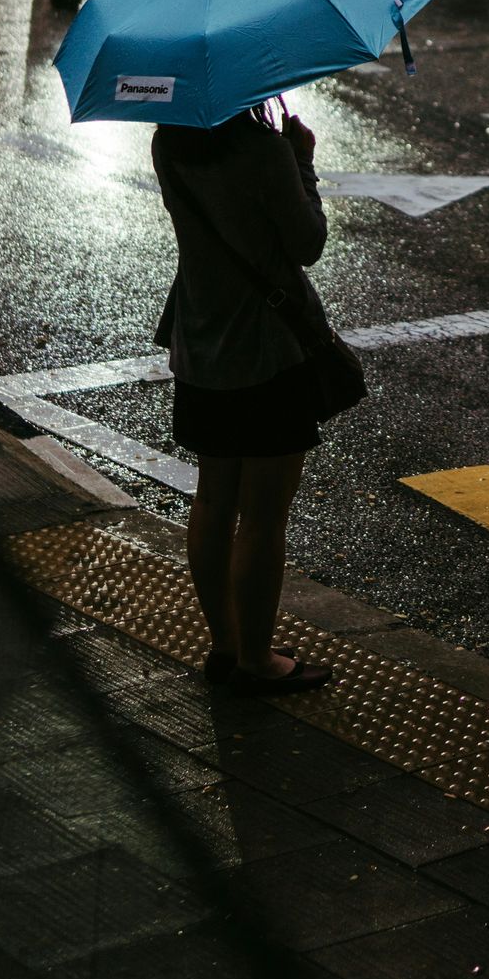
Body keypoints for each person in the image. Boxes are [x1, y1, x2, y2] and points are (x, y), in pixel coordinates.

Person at [152, 104, 333, 694]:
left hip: (199, 345)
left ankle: (225, 644)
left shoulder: (169, 144)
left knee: (212, 500)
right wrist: (302, 162)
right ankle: (258, 658)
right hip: (266, 351)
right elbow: (307, 244)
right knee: (262, 514)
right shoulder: (262, 150)